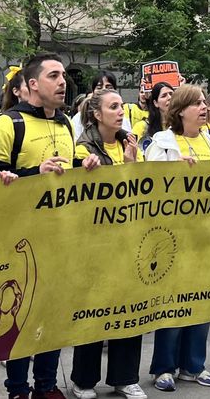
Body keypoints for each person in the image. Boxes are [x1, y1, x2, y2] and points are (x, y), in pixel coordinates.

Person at [0, 53, 73, 399]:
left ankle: (46, 385)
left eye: (64, 75)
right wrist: (33, 174)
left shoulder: (67, 124)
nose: (63, 81)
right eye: (54, 75)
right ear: (32, 84)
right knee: (19, 314)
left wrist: (87, 164)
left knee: (53, 314)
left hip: (60, 236)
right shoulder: (8, 124)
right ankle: (17, 388)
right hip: (19, 239)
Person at [69, 89, 147, 399]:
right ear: (97, 114)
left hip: (130, 239)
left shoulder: (131, 144)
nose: (120, 112)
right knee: (94, 309)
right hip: (95, 242)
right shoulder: (83, 148)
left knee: (130, 308)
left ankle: (124, 377)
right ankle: (83, 380)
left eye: (121, 107)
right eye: (113, 107)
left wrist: (132, 163)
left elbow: (143, 188)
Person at [145, 84, 210, 392]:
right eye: (196, 103)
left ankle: (194, 365)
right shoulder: (162, 144)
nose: (204, 108)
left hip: (206, 235)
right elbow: (148, 185)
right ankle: (164, 367)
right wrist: (172, 172)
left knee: (202, 301)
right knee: (172, 302)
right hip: (173, 236)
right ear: (180, 111)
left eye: (204, 102)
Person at [133, 82, 173, 151]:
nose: (169, 97)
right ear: (155, 103)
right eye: (164, 96)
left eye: (171, 94)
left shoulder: (182, 125)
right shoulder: (141, 127)